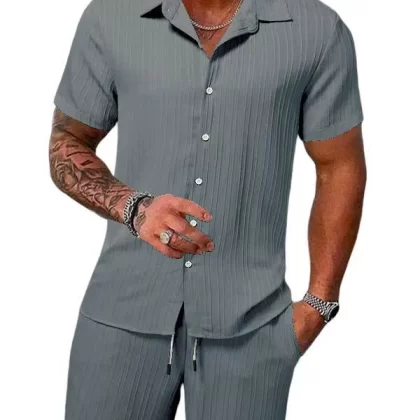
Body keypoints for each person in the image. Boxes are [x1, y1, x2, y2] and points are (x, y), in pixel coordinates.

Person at [49, 0, 366, 418]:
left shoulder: (317, 31)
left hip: (253, 329)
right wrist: (134, 208)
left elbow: (339, 165)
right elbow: (67, 142)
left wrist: (319, 304)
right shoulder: (111, 16)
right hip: (119, 316)